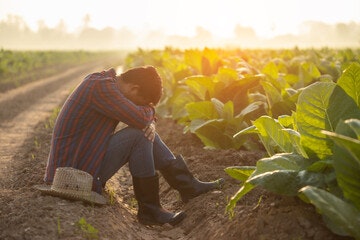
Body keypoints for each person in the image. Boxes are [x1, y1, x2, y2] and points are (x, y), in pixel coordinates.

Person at [43, 65, 224, 226]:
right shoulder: (100, 87)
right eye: (141, 103)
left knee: (142, 131)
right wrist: (149, 116)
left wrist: (148, 121)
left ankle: (186, 187)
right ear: (133, 88)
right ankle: (152, 208)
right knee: (138, 135)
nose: (140, 107)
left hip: (82, 164)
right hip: (71, 175)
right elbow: (139, 118)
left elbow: (140, 118)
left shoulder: (104, 82)